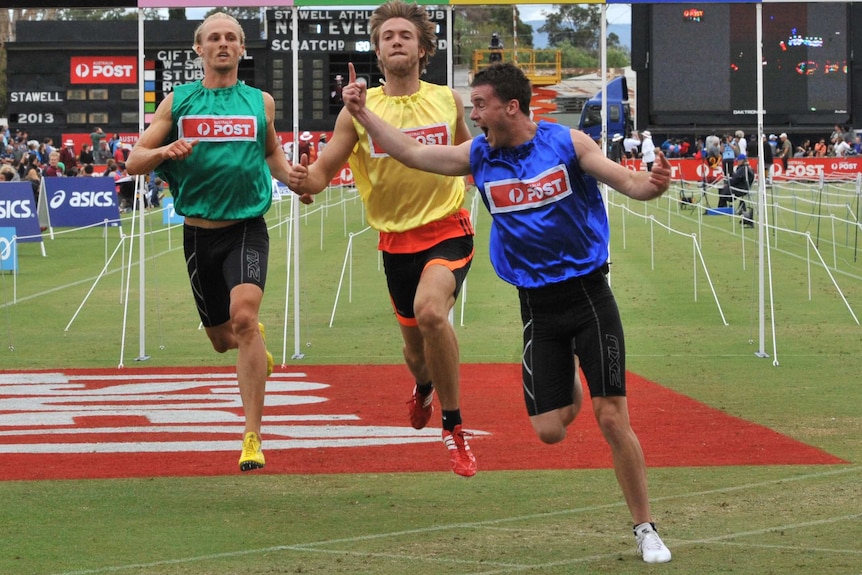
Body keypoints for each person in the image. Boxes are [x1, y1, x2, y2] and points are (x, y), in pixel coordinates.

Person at [337, 60, 673, 563]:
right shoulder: (479, 156)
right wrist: (363, 114)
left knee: (611, 417)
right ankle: (574, 381)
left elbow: (630, 184)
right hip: (537, 309)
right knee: (550, 430)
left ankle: (645, 527)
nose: (472, 115)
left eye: (479, 105)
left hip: (589, 299)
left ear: (510, 107)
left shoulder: (568, 145)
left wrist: (656, 183)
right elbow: (408, 151)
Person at [288, 0, 477, 477]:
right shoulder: (357, 111)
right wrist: (299, 179)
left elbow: (471, 156)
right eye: (387, 36)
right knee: (416, 353)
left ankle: (454, 429)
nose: (396, 41)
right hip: (396, 243)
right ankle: (424, 389)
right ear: (376, 51)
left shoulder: (447, 100)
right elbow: (322, 173)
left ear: (422, 48)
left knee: (433, 312)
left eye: (405, 35)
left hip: (447, 228)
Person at [126, 11, 295, 472]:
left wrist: (295, 179)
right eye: (214, 38)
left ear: (242, 50)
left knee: (244, 316)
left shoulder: (261, 102)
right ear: (199, 50)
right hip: (200, 235)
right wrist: (165, 150)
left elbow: (271, 152)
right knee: (224, 339)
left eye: (231, 38)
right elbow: (134, 160)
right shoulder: (177, 102)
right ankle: (251, 341)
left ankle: (252, 436)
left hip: (247, 227)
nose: (223, 44)